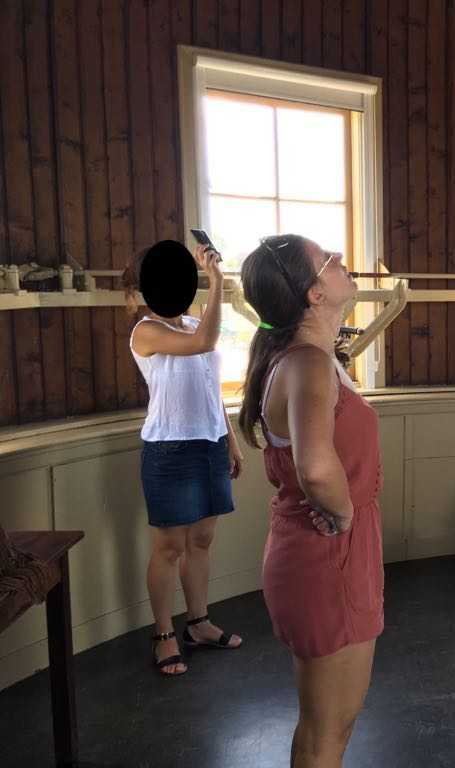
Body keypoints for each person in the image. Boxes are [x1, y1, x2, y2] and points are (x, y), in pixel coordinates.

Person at [237, 234, 384, 768]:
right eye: (330, 261)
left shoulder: (307, 358)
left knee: (328, 726)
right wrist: (344, 515)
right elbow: (317, 469)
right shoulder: (307, 364)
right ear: (313, 294)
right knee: (329, 731)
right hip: (329, 555)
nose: (343, 261)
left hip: (327, 553)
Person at [122, 243, 244, 677]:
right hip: (169, 449)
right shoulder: (146, 331)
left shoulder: (192, 322)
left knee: (202, 541)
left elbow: (210, 387)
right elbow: (203, 342)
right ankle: (163, 634)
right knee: (170, 547)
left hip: (208, 444)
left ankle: (198, 623)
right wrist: (218, 283)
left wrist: (229, 439)